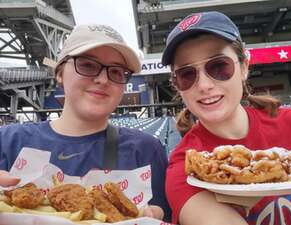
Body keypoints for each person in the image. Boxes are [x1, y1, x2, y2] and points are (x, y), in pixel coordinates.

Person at [0, 24, 171, 221]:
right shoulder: (7, 141)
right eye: (87, 65)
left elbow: (164, 214)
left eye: (116, 72)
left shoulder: (146, 149)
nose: (103, 79)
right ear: (60, 72)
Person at [161, 11, 291, 225]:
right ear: (177, 86)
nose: (204, 85)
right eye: (187, 74)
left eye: (219, 66)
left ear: (244, 67)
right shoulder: (185, 168)